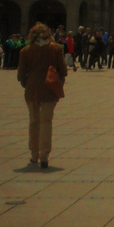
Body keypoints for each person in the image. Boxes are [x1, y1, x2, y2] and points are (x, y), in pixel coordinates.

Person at [16, 22, 67, 168]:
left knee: (33, 121)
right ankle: (44, 155)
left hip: (32, 91)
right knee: (46, 122)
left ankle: (34, 154)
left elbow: (20, 75)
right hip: (49, 90)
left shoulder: (25, 51)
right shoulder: (56, 49)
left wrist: (26, 81)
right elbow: (63, 70)